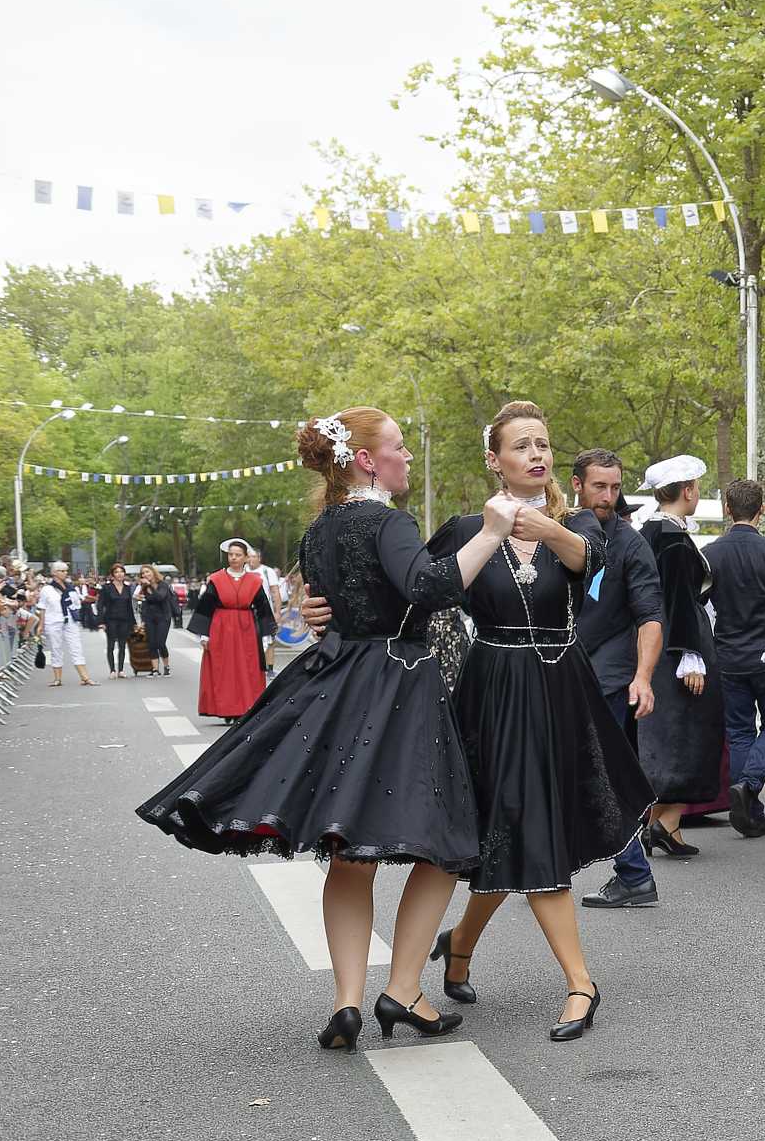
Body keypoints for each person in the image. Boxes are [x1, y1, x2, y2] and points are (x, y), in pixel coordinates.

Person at [138, 408, 505, 1049]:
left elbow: (328, 608)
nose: (407, 457)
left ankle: (347, 1002)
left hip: (336, 684)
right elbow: (428, 587)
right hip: (398, 682)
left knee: (347, 851)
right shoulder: (386, 520)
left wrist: (321, 615)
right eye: (397, 447)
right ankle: (406, 988)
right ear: (366, 459)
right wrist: (491, 531)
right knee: (447, 844)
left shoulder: (322, 528)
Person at [424, 401, 655, 1042]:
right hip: (493, 690)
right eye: (521, 445)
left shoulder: (577, 523)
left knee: (528, 826)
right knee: (513, 826)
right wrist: (324, 604)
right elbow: (419, 589)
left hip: (560, 688)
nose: (537, 454)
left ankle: (467, 943)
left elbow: (587, 558)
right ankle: (580, 980)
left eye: (544, 444)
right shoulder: (466, 528)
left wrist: (532, 523)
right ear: (494, 460)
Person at [570, 449, 667, 910]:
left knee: (602, 776)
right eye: (599, 487)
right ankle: (533, 867)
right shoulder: (554, 529)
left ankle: (634, 874)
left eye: (614, 487)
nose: (608, 496)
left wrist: (643, 677)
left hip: (605, 678)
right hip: (547, 669)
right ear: (576, 484)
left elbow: (650, 615)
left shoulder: (630, 544)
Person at [627, 456, 727, 861]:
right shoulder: (670, 537)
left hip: (661, 640)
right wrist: (689, 654)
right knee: (687, 734)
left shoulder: (651, 530)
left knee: (673, 734)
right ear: (687, 491)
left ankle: (666, 824)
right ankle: (666, 823)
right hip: (677, 644)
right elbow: (678, 599)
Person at [705, 475, 765, 839]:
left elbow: (699, 602)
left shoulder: (710, 553)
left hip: (727, 652)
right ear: (760, 510)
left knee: (740, 730)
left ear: (728, 509)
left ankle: (750, 806)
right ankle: (752, 783)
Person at [188, 540, 271, 718]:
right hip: (221, 627)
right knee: (223, 669)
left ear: (246, 558)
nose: (233, 558)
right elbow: (206, 607)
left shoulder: (255, 581)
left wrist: (265, 636)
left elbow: (263, 607)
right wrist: (204, 634)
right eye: (231, 554)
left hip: (246, 628)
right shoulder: (216, 579)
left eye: (238, 555)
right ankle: (224, 709)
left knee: (247, 668)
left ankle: (247, 707)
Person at [35, 563, 91, 688]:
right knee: (56, 648)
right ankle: (57, 678)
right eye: (62, 571)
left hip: (70, 620)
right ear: (54, 572)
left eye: (66, 571)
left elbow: (77, 603)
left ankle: (85, 677)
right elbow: (42, 608)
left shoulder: (70, 587)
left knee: (76, 647)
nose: (65, 573)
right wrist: (41, 625)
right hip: (53, 621)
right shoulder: (47, 589)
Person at [136, 565, 177, 675]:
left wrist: (151, 586)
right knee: (151, 643)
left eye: (147, 572)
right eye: (143, 573)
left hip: (163, 617)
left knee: (160, 642)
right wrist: (143, 620)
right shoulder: (144, 588)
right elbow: (144, 604)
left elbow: (160, 597)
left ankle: (166, 666)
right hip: (150, 617)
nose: (145, 575)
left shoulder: (163, 585)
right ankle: (155, 669)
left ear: (153, 572)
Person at [96, 568, 136, 678]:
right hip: (110, 619)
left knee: (123, 645)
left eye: (121, 572)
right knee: (111, 645)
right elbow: (100, 605)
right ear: (112, 575)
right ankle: (112, 670)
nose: (119, 574)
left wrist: (133, 622)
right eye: (116, 572)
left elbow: (129, 607)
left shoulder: (128, 588)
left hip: (125, 620)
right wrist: (101, 621)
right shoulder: (106, 588)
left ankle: (121, 670)